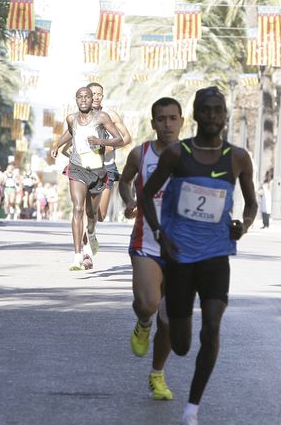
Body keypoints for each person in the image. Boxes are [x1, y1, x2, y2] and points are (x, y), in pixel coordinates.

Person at [137, 87, 258, 425]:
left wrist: (243, 225)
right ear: (196, 114)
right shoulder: (178, 154)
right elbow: (146, 196)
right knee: (181, 345)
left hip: (216, 255)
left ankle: (192, 408)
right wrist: (160, 234)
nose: (213, 117)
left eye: (218, 111)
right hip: (179, 255)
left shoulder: (238, 157)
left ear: (225, 115)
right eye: (206, 110)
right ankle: (165, 312)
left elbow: (251, 204)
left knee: (212, 327)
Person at [119, 96, 185, 401]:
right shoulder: (140, 153)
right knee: (148, 304)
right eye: (162, 119)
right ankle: (143, 322)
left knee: (170, 318)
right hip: (146, 240)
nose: (167, 124)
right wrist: (130, 200)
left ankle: (157, 375)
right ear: (153, 123)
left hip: (184, 247)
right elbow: (125, 180)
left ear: (182, 121)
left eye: (173, 118)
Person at [51, 86, 125, 271]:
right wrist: (57, 145)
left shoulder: (102, 118)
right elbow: (70, 132)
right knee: (77, 208)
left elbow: (119, 139)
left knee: (93, 215)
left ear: (92, 100)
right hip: (77, 169)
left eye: (87, 97)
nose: (83, 100)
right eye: (80, 97)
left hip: (98, 171)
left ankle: (90, 233)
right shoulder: (71, 118)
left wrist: (101, 142)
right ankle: (77, 256)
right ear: (76, 100)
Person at [88, 82, 132, 222]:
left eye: (99, 94)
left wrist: (111, 147)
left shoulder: (111, 115)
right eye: (92, 94)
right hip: (86, 166)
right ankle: (86, 236)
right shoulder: (80, 116)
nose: (96, 97)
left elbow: (127, 137)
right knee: (85, 208)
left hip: (107, 167)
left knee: (101, 215)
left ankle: (90, 229)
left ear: (102, 96)